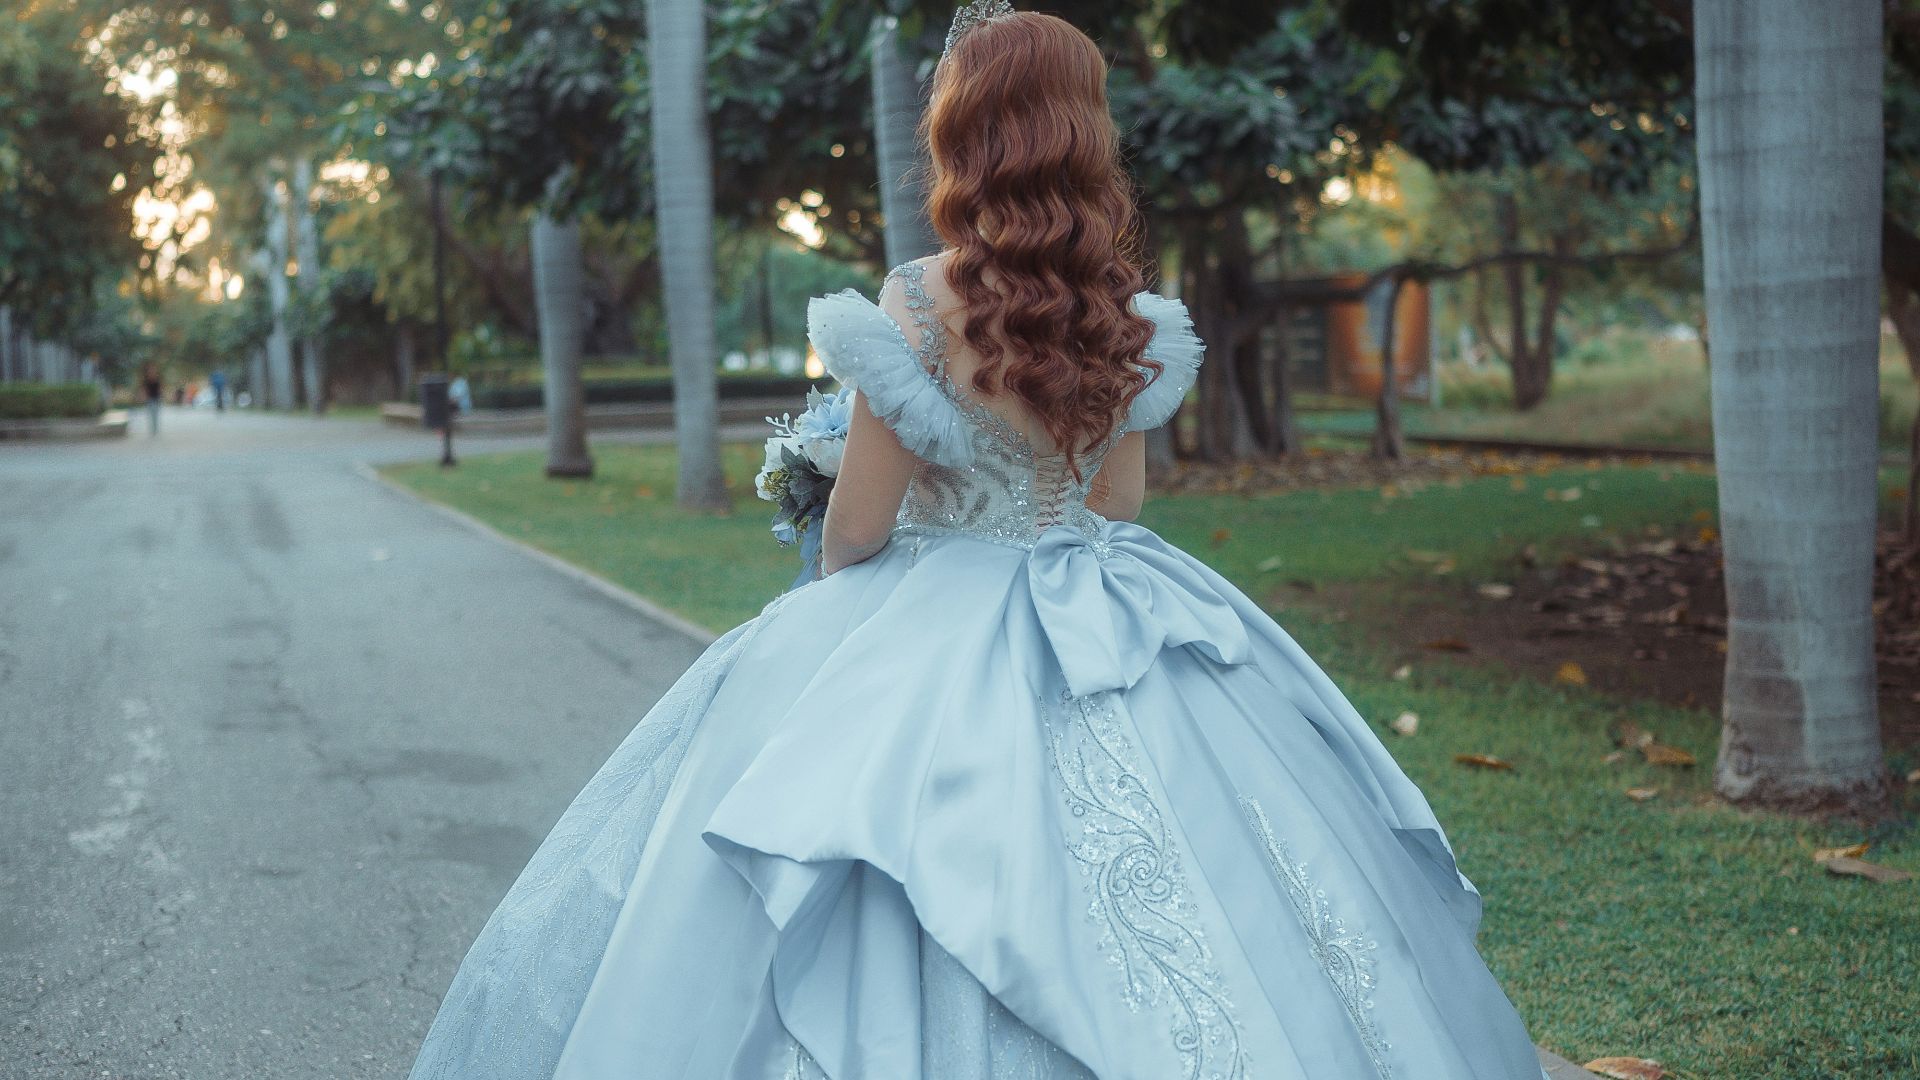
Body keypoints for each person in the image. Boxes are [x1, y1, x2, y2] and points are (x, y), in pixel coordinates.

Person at [408, 7, 1550, 1080]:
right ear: (1083, 134)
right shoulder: (1127, 312)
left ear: (966, 134)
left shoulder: (917, 304)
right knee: (1225, 871)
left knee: (846, 853)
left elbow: (857, 527)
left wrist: (842, 582)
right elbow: (1118, 512)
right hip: (1103, 604)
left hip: (935, 600)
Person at [140, 363, 162, 436]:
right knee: (151, 414)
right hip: (149, 399)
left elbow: (160, 389)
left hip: (156, 398)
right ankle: (152, 429)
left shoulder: (157, 379)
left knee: (155, 414)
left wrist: (161, 395)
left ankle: (155, 429)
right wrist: (143, 396)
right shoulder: (146, 380)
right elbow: (144, 389)